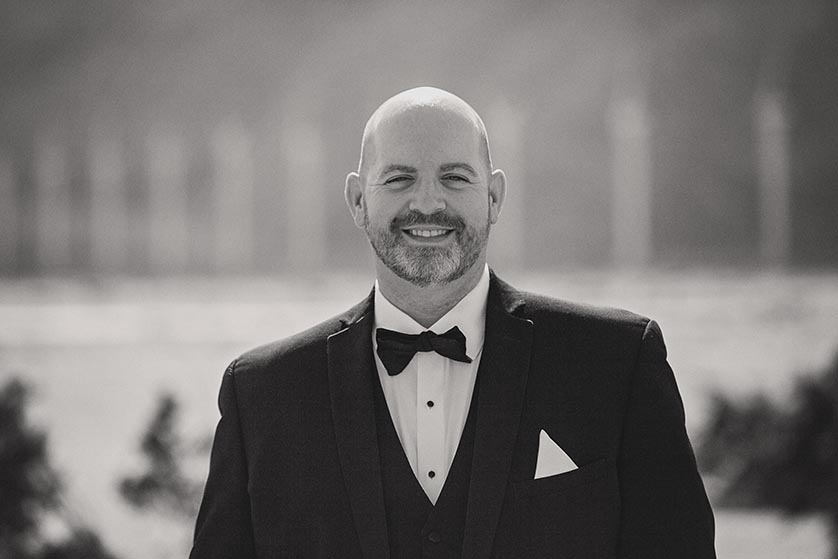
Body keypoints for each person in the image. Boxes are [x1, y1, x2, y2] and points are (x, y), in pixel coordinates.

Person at [189, 87, 716, 558]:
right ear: (357, 200)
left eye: (454, 177)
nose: (427, 202)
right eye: (399, 179)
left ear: (494, 197)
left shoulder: (616, 364)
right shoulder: (261, 394)